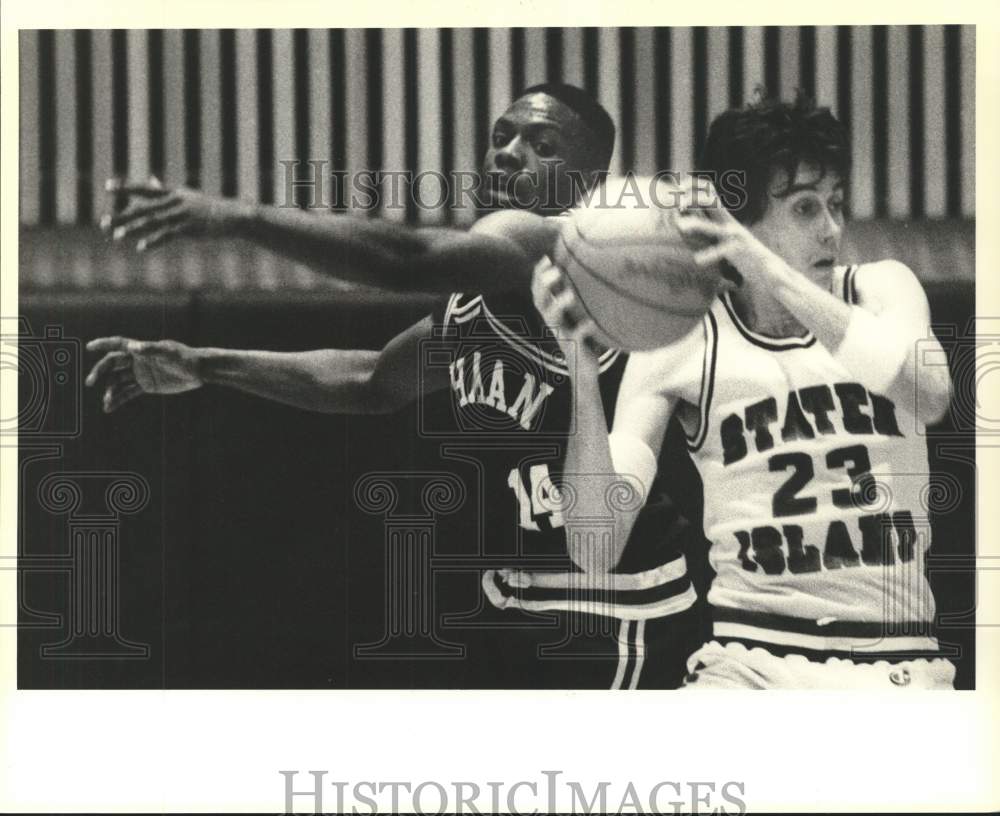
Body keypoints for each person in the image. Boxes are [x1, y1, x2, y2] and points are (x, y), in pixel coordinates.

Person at [87, 83, 705, 689]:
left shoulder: (547, 245)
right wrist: (203, 363)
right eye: (501, 137)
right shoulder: (477, 303)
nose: (509, 152)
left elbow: (404, 257)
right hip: (514, 598)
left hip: (617, 604)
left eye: (543, 145)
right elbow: (369, 380)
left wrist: (235, 216)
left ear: (589, 184)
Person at [549, 93, 956, 689]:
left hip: (896, 660)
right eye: (804, 208)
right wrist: (582, 376)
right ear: (741, 220)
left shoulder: (881, 290)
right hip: (750, 660)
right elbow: (594, 544)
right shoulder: (686, 338)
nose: (832, 228)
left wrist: (764, 267)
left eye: (836, 204)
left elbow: (931, 395)